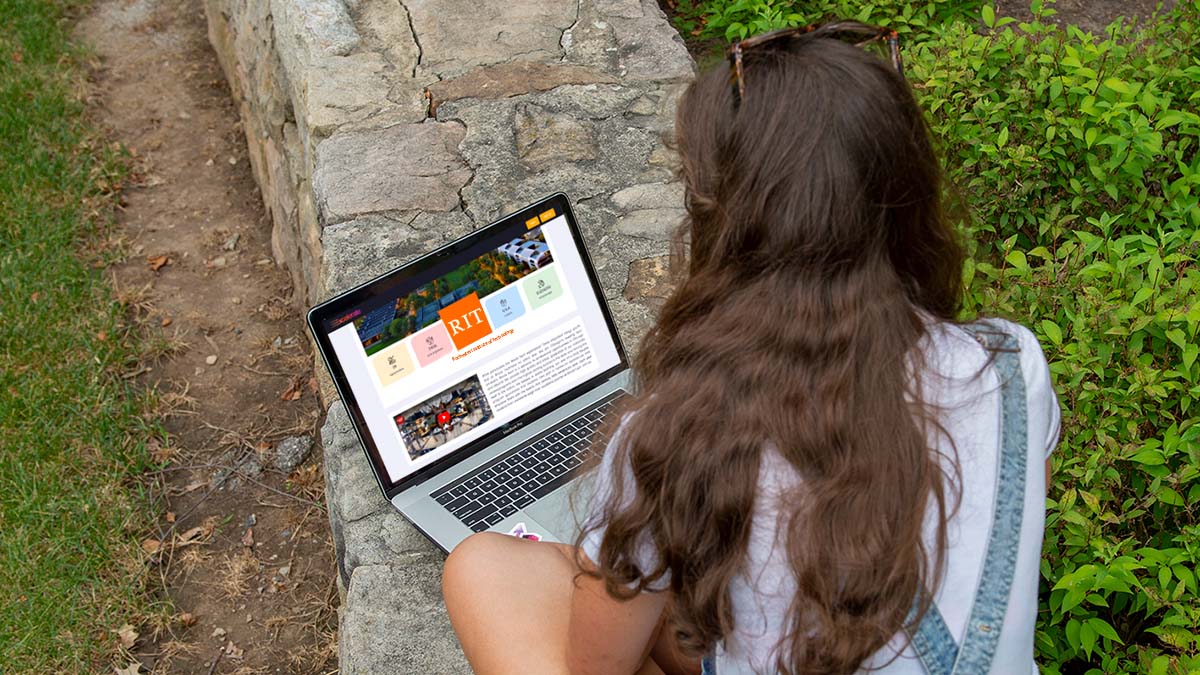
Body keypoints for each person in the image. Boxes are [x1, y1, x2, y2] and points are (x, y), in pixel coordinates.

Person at [442, 21, 1060, 675]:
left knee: (482, 567)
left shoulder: (680, 437)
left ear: (723, 221)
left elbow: (595, 667)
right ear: (906, 195)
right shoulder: (1013, 365)